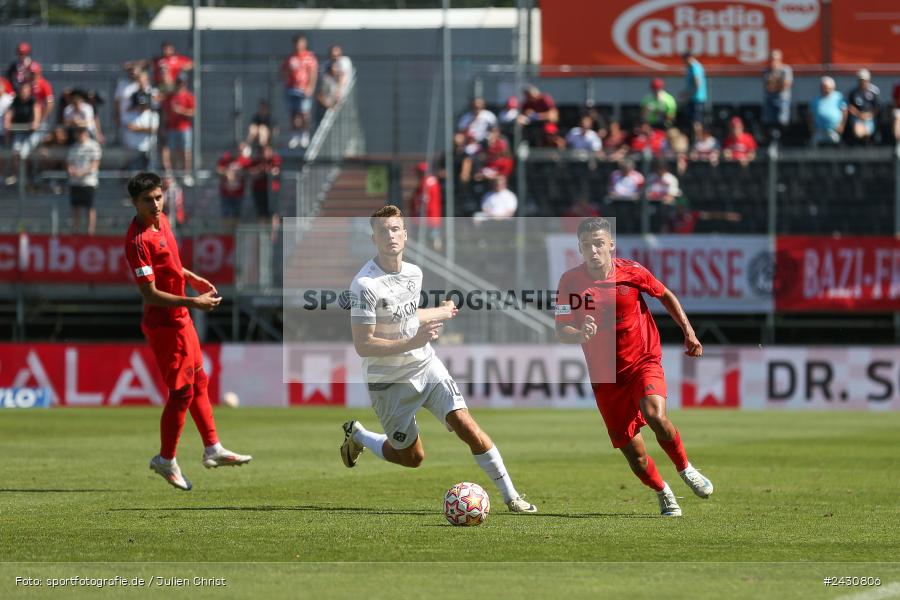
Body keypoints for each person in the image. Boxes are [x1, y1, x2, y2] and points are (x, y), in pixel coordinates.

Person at [340, 205, 537, 514]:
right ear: (374, 239)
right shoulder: (364, 285)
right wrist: (411, 341)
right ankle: (360, 435)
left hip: (425, 364)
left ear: (405, 234)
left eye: (395, 229)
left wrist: (440, 313)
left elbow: (405, 315)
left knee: (466, 424)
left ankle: (512, 497)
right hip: (388, 381)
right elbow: (363, 344)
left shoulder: (414, 273)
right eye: (382, 231)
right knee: (413, 458)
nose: (390, 235)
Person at [555, 217, 713, 517]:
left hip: (643, 360)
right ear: (580, 248)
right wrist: (580, 334)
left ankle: (685, 468)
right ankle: (663, 491)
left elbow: (665, 295)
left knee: (655, 414)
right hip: (606, 377)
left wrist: (688, 332)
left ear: (611, 244)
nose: (594, 250)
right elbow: (561, 330)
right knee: (635, 454)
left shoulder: (632, 271)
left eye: (599, 243)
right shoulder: (570, 281)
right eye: (587, 245)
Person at [124, 172, 252, 491]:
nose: (155, 204)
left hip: (181, 318)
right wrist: (193, 302)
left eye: (158, 197)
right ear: (134, 203)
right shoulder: (138, 241)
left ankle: (213, 448)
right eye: (147, 200)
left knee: (200, 380)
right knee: (181, 391)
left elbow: (170, 266)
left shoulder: (162, 220)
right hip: (166, 324)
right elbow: (150, 293)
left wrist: (191, 277)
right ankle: (165, 459)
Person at [281, 34, 318, 149]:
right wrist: (287, 81)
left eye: (301, 42)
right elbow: (284, 70)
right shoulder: (291, 58)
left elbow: (313, 73)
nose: (299, 45)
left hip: (304, 90)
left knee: (304, 113)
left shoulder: (309, 57)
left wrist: (310, 87)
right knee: (293, 113)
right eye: (297, 43)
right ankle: (295, 136)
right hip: (292, 89)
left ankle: (305, 135)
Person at [66, 127, 101, 235]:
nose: (80, 134)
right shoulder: (73, 147)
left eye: (82, 131)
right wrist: (72, 171)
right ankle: (76, 231)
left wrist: (81, 172)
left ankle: (90, 232)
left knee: (89, 207)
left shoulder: (93, 146)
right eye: (78, 131)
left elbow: (95, 164)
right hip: (75, 182)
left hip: (88, 182)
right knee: (76, 208)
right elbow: (69, 164)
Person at [161, 74, 195, 185]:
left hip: (184, 128)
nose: (181, 85)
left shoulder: (188, 96)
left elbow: (193, 112)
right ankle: (175, 175)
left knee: (186, 151)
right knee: (173, 152)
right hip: (171, 128)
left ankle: (186, 174)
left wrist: (181, 111)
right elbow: (165, 111)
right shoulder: (170, 96)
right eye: (179, 82)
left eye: (182, 82)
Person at [216, 143, 252, 231]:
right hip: (226, 193)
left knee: (237, 216)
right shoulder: (226, 159)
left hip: (238, 194)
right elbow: (218, 169)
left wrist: (243, 173)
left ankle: (235, 234)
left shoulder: (245, 161)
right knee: (226, 216)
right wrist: (226, 173)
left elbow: (251, 170)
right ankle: (227, 234)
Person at [409, 162, 443, 250]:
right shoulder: (434, 181)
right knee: (434, 238)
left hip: (426, 217)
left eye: (418, 172)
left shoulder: (425, 183)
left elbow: (422, 201)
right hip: (434, 215)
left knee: (426, 241)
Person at [123, 91, 159, 172]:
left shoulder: (153, 114)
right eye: (140, 104)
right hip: (135, 148)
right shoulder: (131, 114)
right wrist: (145, 128)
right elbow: (130, 127)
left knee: (150, 173)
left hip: (150, 147)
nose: (142, 106)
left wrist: (139, 128)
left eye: (143, 104)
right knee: (135, 173)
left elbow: (153, 129)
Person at [762, 49, 792, 140]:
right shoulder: (766, 71)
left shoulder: (786, 70)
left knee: (782, 120)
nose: (773, 61)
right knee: (769, 121)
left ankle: (783, 139)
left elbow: (785, 85)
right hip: (770, 99)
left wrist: (775, 85)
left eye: (775, 59)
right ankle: (772, 139)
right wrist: (776, 84)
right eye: (771, 59)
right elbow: (767, 86)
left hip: (782, 100)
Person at [249, 144, 281, 227]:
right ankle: (263, 234)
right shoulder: (257, 161)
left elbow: (276, 171)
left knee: (274, 213)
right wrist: (261, 171)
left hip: (273, 191)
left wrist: (267, 171)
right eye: (265, 151)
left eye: (269, 151)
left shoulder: (275, 159)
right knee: (262, 213)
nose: (267, 153)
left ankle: (273, 236)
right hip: (259, 190)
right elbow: (253, 173)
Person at [810, 76, 847, 147]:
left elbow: (844, 111)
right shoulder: (816, 99)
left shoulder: (838, 97)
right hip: (819, 131)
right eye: (824, 87)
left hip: (834, 131)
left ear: (832, 88)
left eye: (828, 88)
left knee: (837, 146)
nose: (826, 90)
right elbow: (810, 114)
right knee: (813, 145)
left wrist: (842, 125)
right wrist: (812, 128)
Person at [846, 69, 880, 145]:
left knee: (868, 131)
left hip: (870, 117)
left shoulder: (874, 92)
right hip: (857, 117)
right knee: (859, 132)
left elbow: (877, 107)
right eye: (861, 80)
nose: (863, 82)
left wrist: (870, 115)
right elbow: (850, 106)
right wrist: (859, 114)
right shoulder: (853, 92)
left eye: (865, 80)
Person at [681, 50, 707, 129]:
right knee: (694, 121)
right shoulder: (691, 68)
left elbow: (697, 84)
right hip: (693, 99)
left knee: (696, 121)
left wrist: (687, 94)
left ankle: (698, 139)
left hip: (697, 99)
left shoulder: (694, 67)